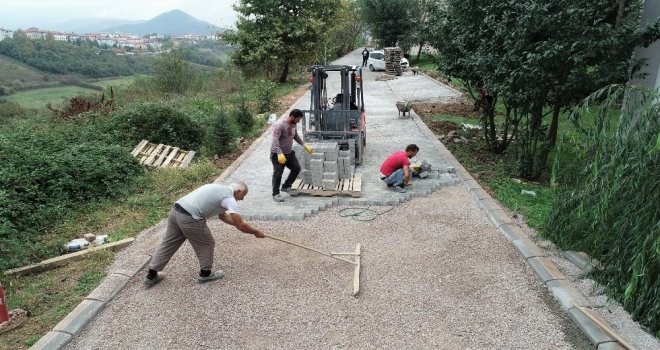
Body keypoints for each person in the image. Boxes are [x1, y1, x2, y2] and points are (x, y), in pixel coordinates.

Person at [143, 182, 265, 288]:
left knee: (169, 242)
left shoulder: (217, 189)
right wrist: (255, 232)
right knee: (207, 243)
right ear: (238, 191)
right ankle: (205, 274)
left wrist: (243, 225)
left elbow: (224, 217)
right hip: (190, 217)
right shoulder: (229, 198)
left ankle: (151, 276)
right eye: (243, 196)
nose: (242, 199)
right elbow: (241, 226)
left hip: (176, 211)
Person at [271, 109, 314, 202]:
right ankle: (275, 194)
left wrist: (304, 144)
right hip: (278, 155)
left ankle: (286, 187)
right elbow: (275, 140)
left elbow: (295, 135)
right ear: (292, 117)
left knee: (296, 169)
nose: (299, 121)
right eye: (298, 119)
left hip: (289, 153)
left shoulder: (293, 124)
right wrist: (279, 153)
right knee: (278, 174)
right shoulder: (280, 125)